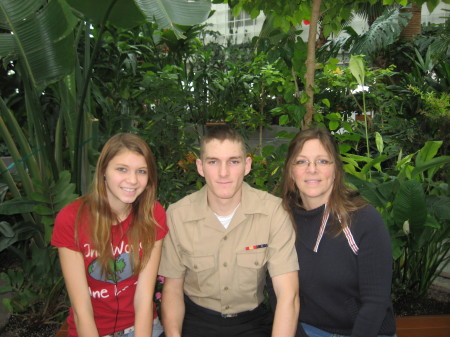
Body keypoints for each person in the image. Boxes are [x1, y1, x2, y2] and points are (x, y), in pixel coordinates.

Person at [158, 125, 300, 337]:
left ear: (247, 165)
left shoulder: (273, 213)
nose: (223, 173)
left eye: (233, 162)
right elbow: (172, 290)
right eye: (213, 162)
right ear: (200, 167)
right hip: (196, 322)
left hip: (252, 323)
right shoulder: (178, 215)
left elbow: (288, 295)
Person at [280, 126, 396, 337]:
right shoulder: (281, 221)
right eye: (301, 161)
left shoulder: (363, 219)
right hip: (308, 329)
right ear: (291, 171)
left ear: (335, 170)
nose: (312, 169)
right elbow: (277, 292)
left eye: (322, 161)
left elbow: (376, 301)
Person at [52, 133, 168, 337]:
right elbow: (82, 310)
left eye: (141, 171)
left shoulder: (153, 214)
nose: (132, 180)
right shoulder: (72, 219)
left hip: (141, 327)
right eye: (122, 169)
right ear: (103, 170)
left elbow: (144, 298)